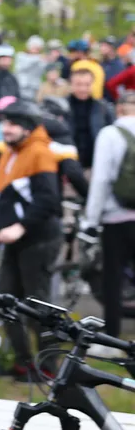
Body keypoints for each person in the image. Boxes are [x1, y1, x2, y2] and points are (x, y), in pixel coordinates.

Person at [0, 99, 62, 381]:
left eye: (13, 124)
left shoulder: (39, 153)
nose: (6, 129)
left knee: (37, 307)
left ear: (28, 128)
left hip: (37, 240)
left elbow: (48, 200)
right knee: (4, 301)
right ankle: (23, 364)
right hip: (14, 241)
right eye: (5, 123)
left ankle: (48, 368)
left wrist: (20, 227)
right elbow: (8, 196)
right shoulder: (11, 151)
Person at [81, 91, 135, 356]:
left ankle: (113, 342)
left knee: (113, 279)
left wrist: (91, 220)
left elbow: (100, 180)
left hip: (117, 218)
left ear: (120, 109)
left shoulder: (110, 134)